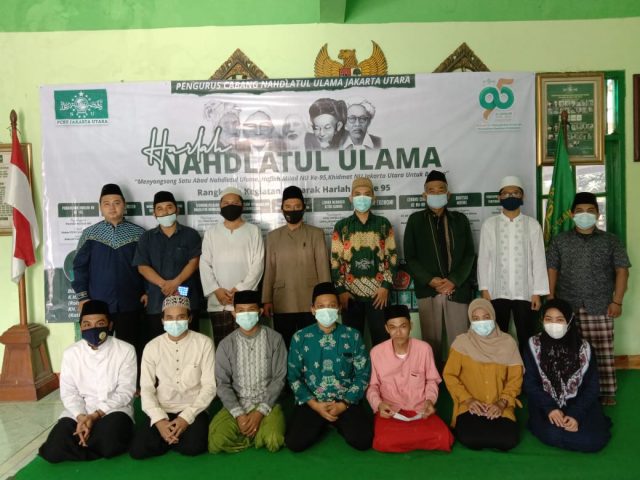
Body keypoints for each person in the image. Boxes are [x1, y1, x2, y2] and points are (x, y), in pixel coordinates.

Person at [546, 192, 631, 405]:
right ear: (572, 214)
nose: (585, 215)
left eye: (590, 211)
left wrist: (617, 301)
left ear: (598, 214)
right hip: (567, 304)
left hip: (601, 304)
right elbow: (552, 269)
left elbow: (622, 271)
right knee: (568, 349)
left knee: (601, 349)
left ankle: (605, 391)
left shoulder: (611, 240)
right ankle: (571, 391)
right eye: (580, 211)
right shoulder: (560, 241)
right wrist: (551, 298)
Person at [39, 300, 136, 463]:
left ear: (110, 325)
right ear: (81, 327)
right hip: (81, 411)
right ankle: (90, 441)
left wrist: (95, 416)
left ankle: (81, 444)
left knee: (110, 443)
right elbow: (69, 392)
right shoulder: (71, 353)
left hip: (113, 410)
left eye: (100, 324)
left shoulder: (125, 350)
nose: (93, 328)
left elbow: (125, 391)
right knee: (53, 450)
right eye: (87, 324)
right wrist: (81, 417)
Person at [285, 282, 373, 452]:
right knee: (295, 443)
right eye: (321, 306)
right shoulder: (300, 338)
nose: (326, 310)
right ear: (312, 309)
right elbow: (294, 377)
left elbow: (363, 374)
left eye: (331, 305)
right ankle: (323, 421)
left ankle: (334, 421)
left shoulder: (352, 336)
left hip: (345, 400)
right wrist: (315, 405)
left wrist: (344, 404)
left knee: (363, 441)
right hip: (313, 401)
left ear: (339, 308)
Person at [404, 170, 475, 367]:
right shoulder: (415, 220)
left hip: (457, 288)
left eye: (440, 190)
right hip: (429, 289)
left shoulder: (460, 220)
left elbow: (469, 254)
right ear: (424, 195)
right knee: (430, 343)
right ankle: (431, 380)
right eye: (431, 191)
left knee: (460, 341)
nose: (436, 194)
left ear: (448, 194)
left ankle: (460, 378)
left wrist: (454, 280)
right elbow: (410, 257)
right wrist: (430, 280)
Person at [130, 295, 216, 459]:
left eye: (181, 317)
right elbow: (146, 388)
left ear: (189, 319)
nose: (175, 322)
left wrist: (185, 418)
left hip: (193, 408)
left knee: (194, 447)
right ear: (162, 320)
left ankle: (169, 438)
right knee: (139, 450)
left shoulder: (204, 343)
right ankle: (170, 435)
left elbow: (209, 387)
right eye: (169, 318)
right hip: (163, 407)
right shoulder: (152, 347)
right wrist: (159, 421)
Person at [523, 299, 611, 452]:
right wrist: (550, 408)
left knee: (593, 441)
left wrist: (576, 414)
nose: (553, 324)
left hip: (578, 402)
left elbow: (592, 387)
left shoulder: (585, 349)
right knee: (552, 433)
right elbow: (530, 383)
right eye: (548, 319)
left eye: (559, 320)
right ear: (542, 321)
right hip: (545, 402)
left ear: (569, 321)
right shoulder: (533, 345)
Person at [367, 304, 454, 453]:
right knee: (383, 442)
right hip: (391, 410)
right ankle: (413, 439)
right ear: (386, 329)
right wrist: (379, 405)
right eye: (393, 327)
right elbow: (373, 386)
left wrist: (429, 401)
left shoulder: (424, 349)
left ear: (411, 326)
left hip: (419, 409)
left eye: (403, 326)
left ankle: (410, 439)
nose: (398, 332)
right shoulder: (376, 352)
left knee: (444, 438)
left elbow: (431, 380)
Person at [208, 290, 287, 453]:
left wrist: (259, 413)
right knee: (217, 442)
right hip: (238, 403)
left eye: (251, 310)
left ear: (260, 311)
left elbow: (279, 378)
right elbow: (222, 383)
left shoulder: (275, 339)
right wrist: (239, 415)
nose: (246, 314)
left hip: (267, 403)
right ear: (234, 313)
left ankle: (254, 430)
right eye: (241, 310)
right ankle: (252, 432)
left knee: (273, 439)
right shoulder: (226, 344)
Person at [477, 175, 549, 351]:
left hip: (525, 292)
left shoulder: (532, 225)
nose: (511, 196)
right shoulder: (490, 225)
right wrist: (484, 288)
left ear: (522, 196)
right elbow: (484, 258)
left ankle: (527, 367)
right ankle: (500, 366)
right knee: (497, 334)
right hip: (496, 290)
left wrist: (537, 292)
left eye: (515, 193)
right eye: (506, 193)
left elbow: (539, 259)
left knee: (527, 335)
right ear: (499, 197)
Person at [72, 183, 146, 352]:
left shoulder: (139, 234)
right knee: (99, 349)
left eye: (116, 203)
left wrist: (147, 291)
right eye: (107, 204)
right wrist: (83, 297)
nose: (112, 208)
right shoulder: (90, 234)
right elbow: (79, 267)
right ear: (100, 207)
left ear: (124, 205)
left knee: (132, 348)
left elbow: (147, 265)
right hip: (98, 305)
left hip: (131, 302)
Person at [443, 298, 523, 451]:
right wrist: (468, 400)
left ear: (493, 316)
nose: (481, 322)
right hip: (471, 405)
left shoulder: (508, 343)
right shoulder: (461, 343)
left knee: (507, 440)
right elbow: (450, 375)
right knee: (471, 439)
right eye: (476, 318)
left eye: (486, 317)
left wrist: (502, 402)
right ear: (470, 321)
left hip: (500, 404)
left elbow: (515, 378)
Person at [331, 176, 398, 346]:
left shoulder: (383, 224)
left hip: (379, 295)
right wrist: (341, 291)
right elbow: (335, 261)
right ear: (351, 198)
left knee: (382, 343)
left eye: (367, 194)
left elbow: (392, 257)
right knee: (351, 344)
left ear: (373, 198)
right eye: (357, 194)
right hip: (350, 296)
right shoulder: (342, 226)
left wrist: (386, 287)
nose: (362, 198)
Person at [262, 186, 331, 348]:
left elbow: (323, 267)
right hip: (282, 299)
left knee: (312, 345)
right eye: (288, 206)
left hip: (310, 300)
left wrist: (327, 298)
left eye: (297, 206)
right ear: (282, 209)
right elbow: (269, 270)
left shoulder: (316, 234)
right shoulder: (273, 237)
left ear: (303, 208)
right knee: (285, 345)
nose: (292, 210)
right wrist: (266, 300)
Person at [200, 186, 264, 347]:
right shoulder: (211, 233)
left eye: (235, 203)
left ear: (242, 206)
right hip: (218, 302)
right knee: (223, 348)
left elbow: (258, 264)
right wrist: (217, 290)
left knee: (250, 347)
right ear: (220, 206)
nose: (230, 206)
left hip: (246, 302)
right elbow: (204, 264)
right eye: (226, 203)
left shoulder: (253, 231)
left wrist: (240, 290)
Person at [134, 191, 203, 338]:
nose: (165, 212)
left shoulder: (191, 235)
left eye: (169, 207)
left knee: (191, 342)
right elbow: (142, 267)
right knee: (158, 344)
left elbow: (194, 262)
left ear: (177, 210)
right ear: (154, 214)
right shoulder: (146, 238)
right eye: (160, 208)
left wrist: (175, 283)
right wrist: (164, 284)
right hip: (157, 301)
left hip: (186, 296)